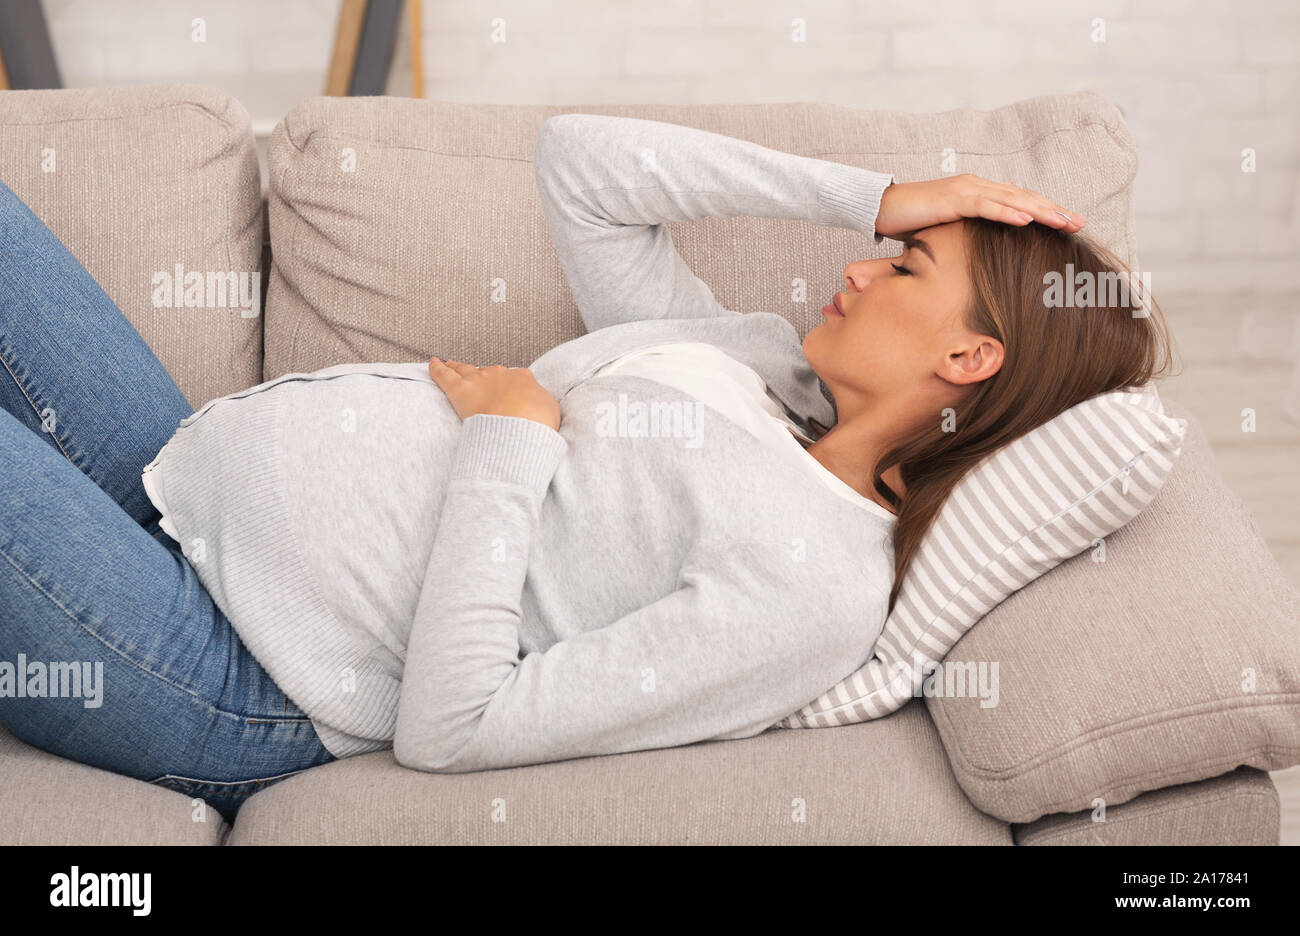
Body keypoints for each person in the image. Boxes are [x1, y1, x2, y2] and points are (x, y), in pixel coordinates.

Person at [0, 114, 1169, 822]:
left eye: (904, 269)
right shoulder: (756, 359)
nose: (858, 272)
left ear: (970, 356)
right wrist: (877, 196)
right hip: (172, 485)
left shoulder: (815, 585)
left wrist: (513, 440)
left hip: (234, 673)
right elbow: (582, 166)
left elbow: (455, 729)